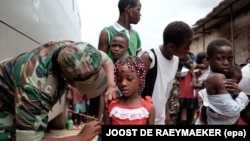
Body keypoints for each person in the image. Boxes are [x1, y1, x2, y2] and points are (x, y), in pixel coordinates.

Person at [0, 40, 117, 141]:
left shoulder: (77, 51)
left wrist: (111, 86)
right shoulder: (35, 88)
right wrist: (79, 138)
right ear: (67, 78)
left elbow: (106, 60)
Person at [139, 21, 194, 124]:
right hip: (144, 119)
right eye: (185, 47)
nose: (188, 50)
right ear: (171, 47)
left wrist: (167, 113)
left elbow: (165, 90)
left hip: (160, 119)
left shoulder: (176, 60)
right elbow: (135, 92)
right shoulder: (149, 58)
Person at [205, 38, 249, 125]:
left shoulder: (220, 74)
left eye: (230, 59)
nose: (226, 63)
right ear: (208, 59)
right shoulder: (217, 77)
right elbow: (232, 110)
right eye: (220, 59)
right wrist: (243, 94)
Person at [104, 56, 155, 125]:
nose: (123, 83)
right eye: (119, 79)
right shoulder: (112, 106)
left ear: (140, 78)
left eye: (129, 79)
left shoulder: (148, 108)